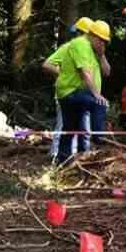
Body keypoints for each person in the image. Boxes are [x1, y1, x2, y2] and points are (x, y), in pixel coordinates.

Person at [43, 19, 111, 164]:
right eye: (101, 40)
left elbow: (107, 72)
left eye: (105, 41)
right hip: (72, 91)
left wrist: (101, 54)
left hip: (80, 92)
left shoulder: (93, 50)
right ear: (90, 35)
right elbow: (85, 73)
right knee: (98, 106)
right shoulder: (78, 45)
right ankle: (99, 139)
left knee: (72, 128)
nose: (102, 43)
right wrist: (97, 95)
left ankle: (65, 159)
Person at [48, 17, 92, 160]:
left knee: (83, 128)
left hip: (82, 95)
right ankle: (57, 156)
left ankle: (81, 157)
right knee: (64, 126)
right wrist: (64, 76)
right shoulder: (67, 48)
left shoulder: (88, 51)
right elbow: (47, 64)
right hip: (67, 93)